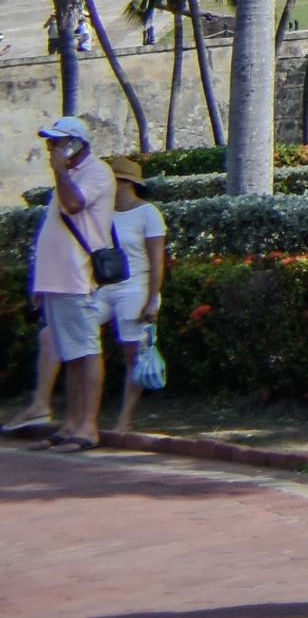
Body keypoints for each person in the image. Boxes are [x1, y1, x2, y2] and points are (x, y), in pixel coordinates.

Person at [17, 116, 122, 447]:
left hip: (78, 278)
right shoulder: (68, 177)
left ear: (77, 143)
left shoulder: (96, 172)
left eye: (58, 142)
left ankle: (87, 427)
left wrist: (60, 171)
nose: (52, 148)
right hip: (58, 282)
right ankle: (71, 424)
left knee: (86, 352)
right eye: (50, 142)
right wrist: (41, 284)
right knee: (71, 355)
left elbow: (75, 205)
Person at [100, 154, 168, 436]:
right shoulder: (103, 212)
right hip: (104, 287)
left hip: (135, 286)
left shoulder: (147, 213)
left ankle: (124, 419)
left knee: (133, 354)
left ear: (126, 183)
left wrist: (152, 299)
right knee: (78, 334)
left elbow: (157, 261)